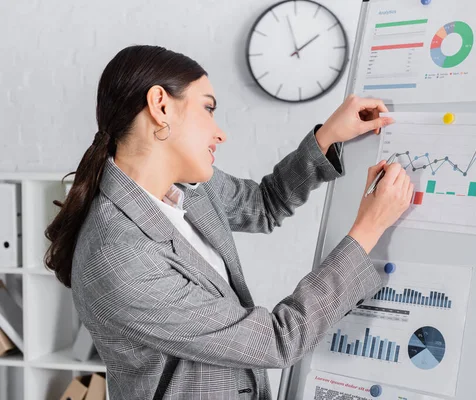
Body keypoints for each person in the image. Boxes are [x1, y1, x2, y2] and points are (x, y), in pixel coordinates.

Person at [44, 45, 414, 400]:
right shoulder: (119, 255)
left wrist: (328, 135)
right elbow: (275, 341)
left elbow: (263, 204)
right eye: (208, 109)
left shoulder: (189, 187)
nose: (220, 133)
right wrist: (367, 229)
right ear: (160, 106)